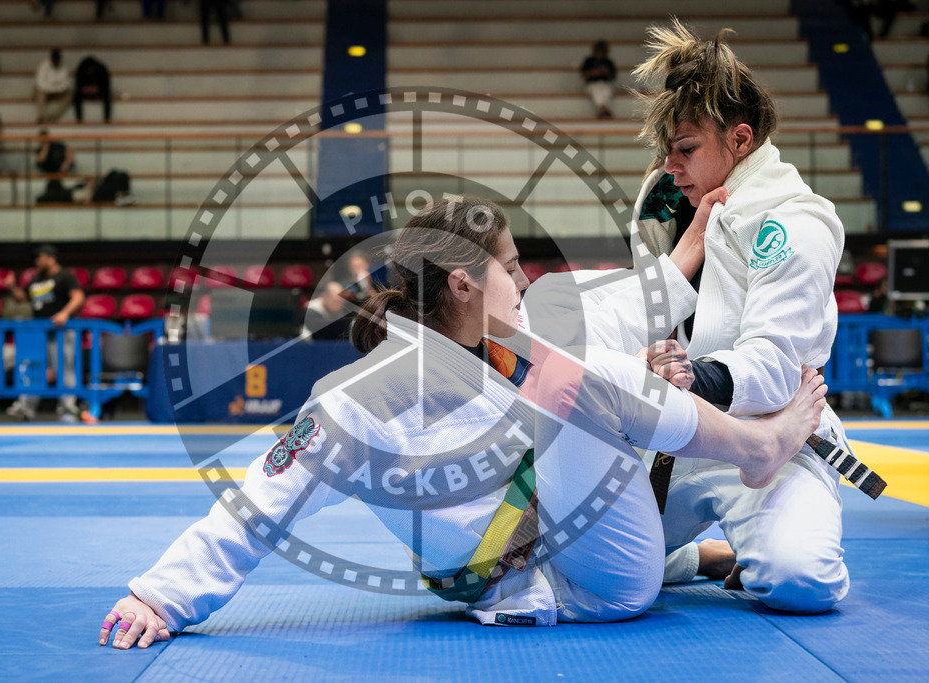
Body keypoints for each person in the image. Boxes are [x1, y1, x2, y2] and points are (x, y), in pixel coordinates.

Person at [97, 196, 827, 648]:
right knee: (572, 371)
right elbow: (263, 498)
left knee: (576, 358)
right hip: (588, 588)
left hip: (572, 552)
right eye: (511, 266)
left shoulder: (493, 354)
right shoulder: (363, 395)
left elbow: (542, 469)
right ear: (463, 282)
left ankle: (696, 558)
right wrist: (160, 595)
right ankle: (761, 446)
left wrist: (655, 329)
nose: (524, 279)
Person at [628, 19, 852, 613]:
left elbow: (776, 368)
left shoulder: (795, 223)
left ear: (741, 140)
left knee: (799, 582)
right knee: (562, 552)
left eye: (687, 150)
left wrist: (684, 375)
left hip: (775, 440)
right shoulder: (661, 208)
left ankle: (766, 541)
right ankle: (704, 558)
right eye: (665, 151)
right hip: (678, 438)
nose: (670, 166)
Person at [4, 244, 85, 422]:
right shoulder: (36, 280)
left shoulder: (65, 277)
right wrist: (12, 287)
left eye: (40, 257)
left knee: (64, 369)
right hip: (38, 333)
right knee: (33, 368)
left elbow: (78, 296)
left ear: (51, 258)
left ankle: (67, 409)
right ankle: (26, 409)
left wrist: (64, 313)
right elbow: (21, 298)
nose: (37, 261)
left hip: (61, 331)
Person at [35, 128, 77, 203]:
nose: (44, 140)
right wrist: (45, 147)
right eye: (41, 139)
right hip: (48, 169)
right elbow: (41, 161)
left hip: (62, 168)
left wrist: (67, 161)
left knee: (68, 160)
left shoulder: (58, 146)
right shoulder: (40, 149)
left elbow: (70, 155)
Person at [580, 40, 616, 119]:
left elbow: (613, 76)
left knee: (607, 90)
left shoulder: (608, 62)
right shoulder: (589, 61)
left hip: (605, 83)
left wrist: (606, 72)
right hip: (591, 84)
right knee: (595, 89)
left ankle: (603, 109)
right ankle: (604, 109)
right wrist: (592, 73)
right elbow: (583, 74)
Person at [34, 48, 72, 123]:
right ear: (51, 59)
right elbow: (40, 83)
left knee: (70, 93)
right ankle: (41, 116)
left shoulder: (64, 68)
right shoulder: (43, 66)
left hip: (57, 92)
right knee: (39, 91)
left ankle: (53, 117)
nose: (56, 63)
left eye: (57, 61)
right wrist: (56, 88)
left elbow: (67, 84)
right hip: (45, 91)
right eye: (54, 61)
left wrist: (58, 89)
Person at [73, 56, 112, 123]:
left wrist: (97, 89)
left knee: (107, 95)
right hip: (85, 91)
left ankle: (107, 118)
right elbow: (77, 85)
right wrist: (84, 89)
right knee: (76, 96)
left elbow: (106, 85)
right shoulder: (81, 69)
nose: (90, 71)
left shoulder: (101, 69)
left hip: (98, 90)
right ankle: (79, 119)